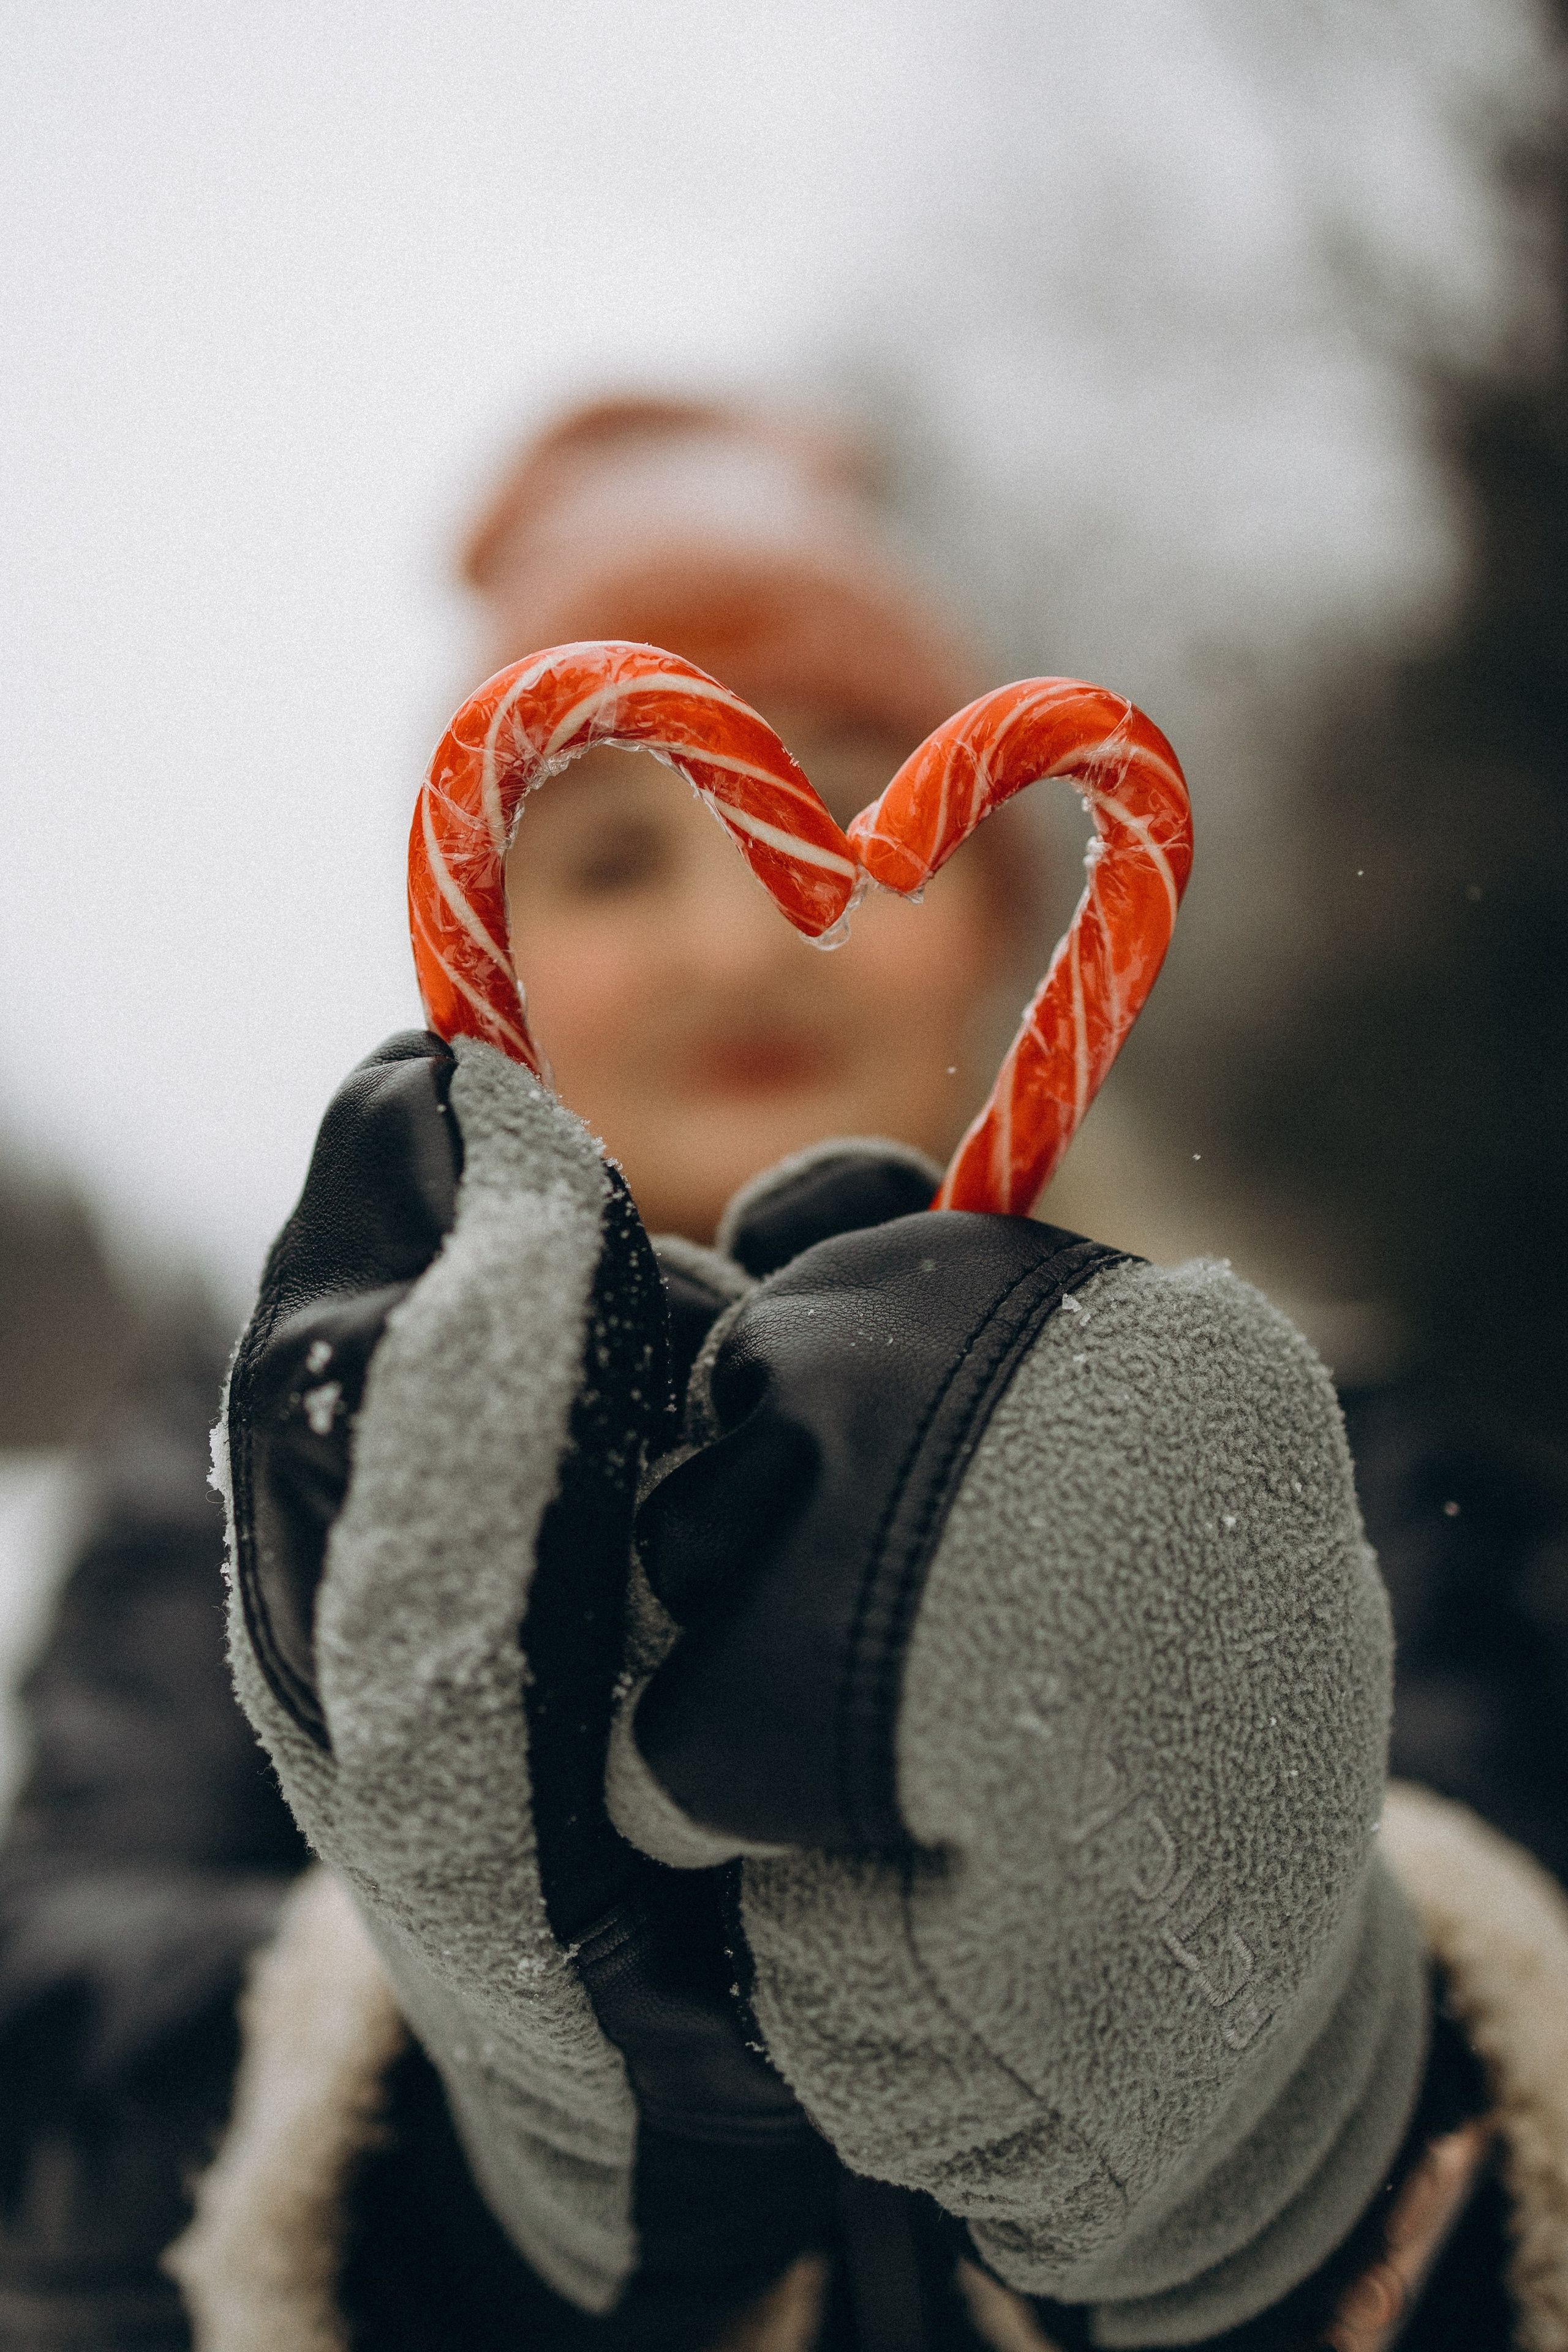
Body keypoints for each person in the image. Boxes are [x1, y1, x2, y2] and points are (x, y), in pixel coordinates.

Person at [3, 397, 1568, 2352]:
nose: (742, 938)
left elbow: (1527, 1920)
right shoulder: (282, 1474)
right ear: (484, 952)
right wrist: (486, 2128)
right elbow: (45, 2055)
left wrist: (1276, 2097)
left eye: (847, 812)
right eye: (609, 865)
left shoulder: (1323, 1439)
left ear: (1000, 915)